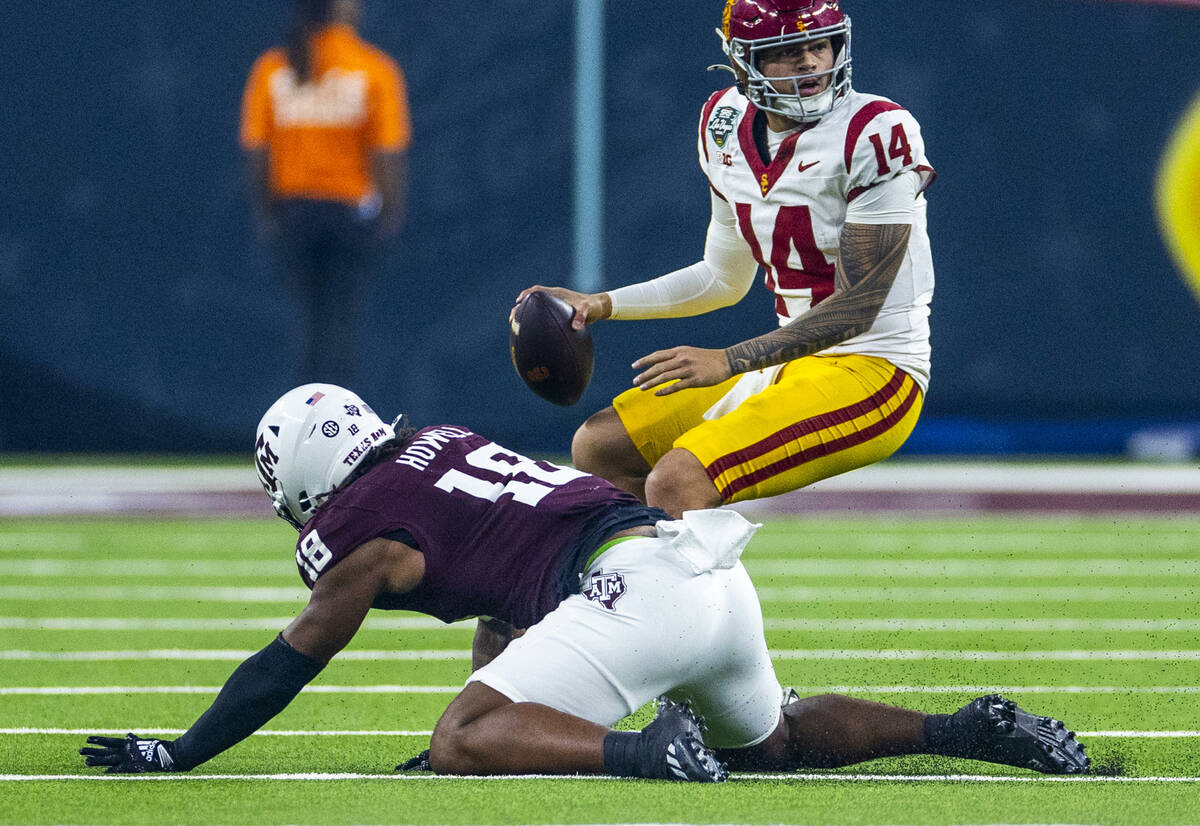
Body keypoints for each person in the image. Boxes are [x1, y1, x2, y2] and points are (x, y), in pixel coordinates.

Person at [79, 384, 1089, 779]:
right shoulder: (437, 441)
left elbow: (292, 655)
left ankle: (648, 748)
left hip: (632, 586)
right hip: (701, 570)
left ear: (300, 473)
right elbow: (504, 606)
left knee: (460, 735)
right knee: (772, 740)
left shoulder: (361, 530)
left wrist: (185, 750)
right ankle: (958, 726)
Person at [514, 0, 934, 518]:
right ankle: (624, 594)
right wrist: (602, 305)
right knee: (600, 448)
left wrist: (730, 360)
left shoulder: (876, 129)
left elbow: (858, 307)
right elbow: (721, 277)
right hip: (793, 362)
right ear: (743, 61)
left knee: (679, 480)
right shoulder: (723, 123)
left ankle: (692, 605)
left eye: (820, 44)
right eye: (788, 50)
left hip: (875, 368)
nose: (810, 61)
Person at [240, 0, 411, 385]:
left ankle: (302, 413)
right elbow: (387, 151)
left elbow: (257, 151)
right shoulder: (372, 68)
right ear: (338, 8)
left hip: (294, 210)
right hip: (349, 210)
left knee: (307, 320)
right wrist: (390, 211)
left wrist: (266, 212)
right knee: (341, 321)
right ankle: (336, 417)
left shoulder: (274, 67)